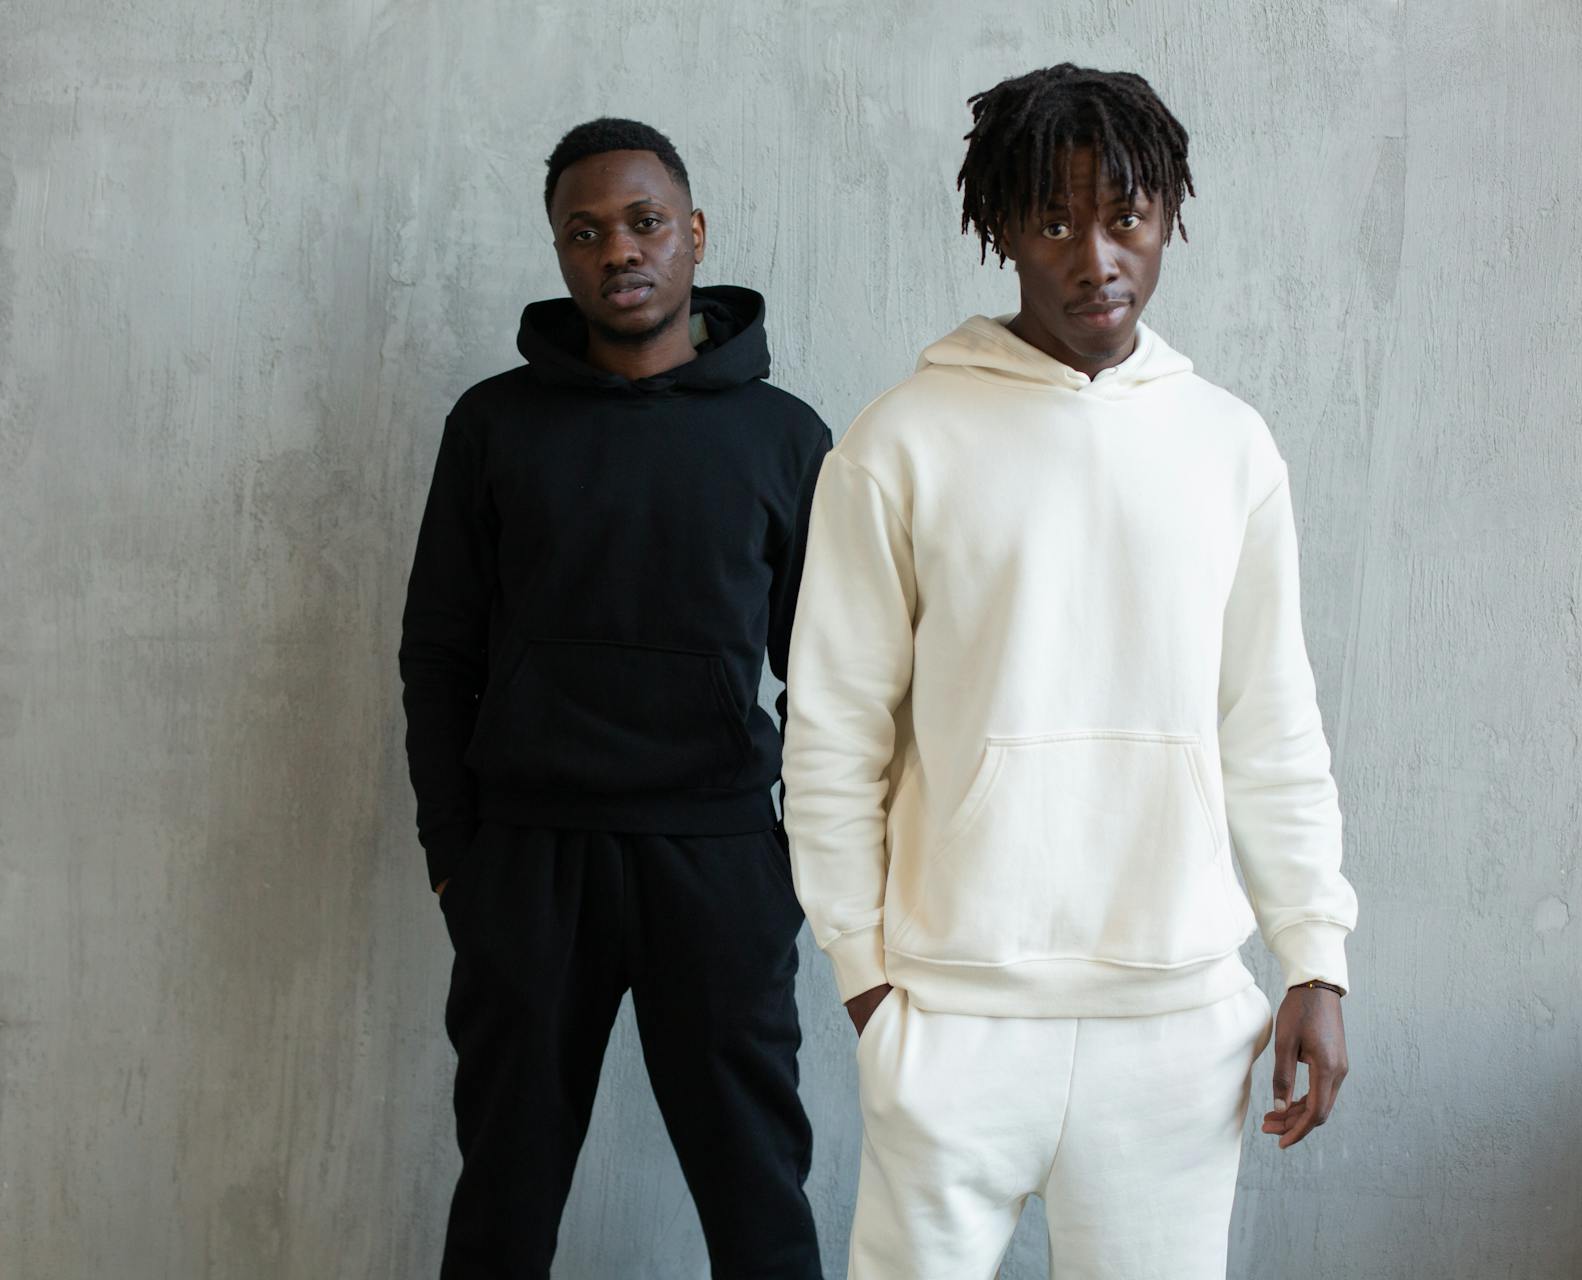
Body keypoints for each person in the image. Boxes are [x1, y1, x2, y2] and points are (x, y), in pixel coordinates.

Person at [781, 64, 1359, 1278]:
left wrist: (1313, 950)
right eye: (1055, 221)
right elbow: (834, 730)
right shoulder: (900, 444)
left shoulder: (1228, 446)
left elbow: (1273, 720)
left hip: (1176, 1022)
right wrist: (866, 986)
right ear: (1002, 230)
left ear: (1169, 218)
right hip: (952, 1013)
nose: (1097, 255)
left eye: (1127, 216)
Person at [399, 117, 829, 1279]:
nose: (618, 251)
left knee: (759, 1206)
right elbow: (438, 651)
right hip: (531, 862)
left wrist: (803, 867)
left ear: (693, 235)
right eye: (583, 233)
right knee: (504, 1203)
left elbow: (833, 679)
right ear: (559, 253)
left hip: (721, 857)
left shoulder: (784, 439)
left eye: (643, 223)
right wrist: (456, 853)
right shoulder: (494, 427)